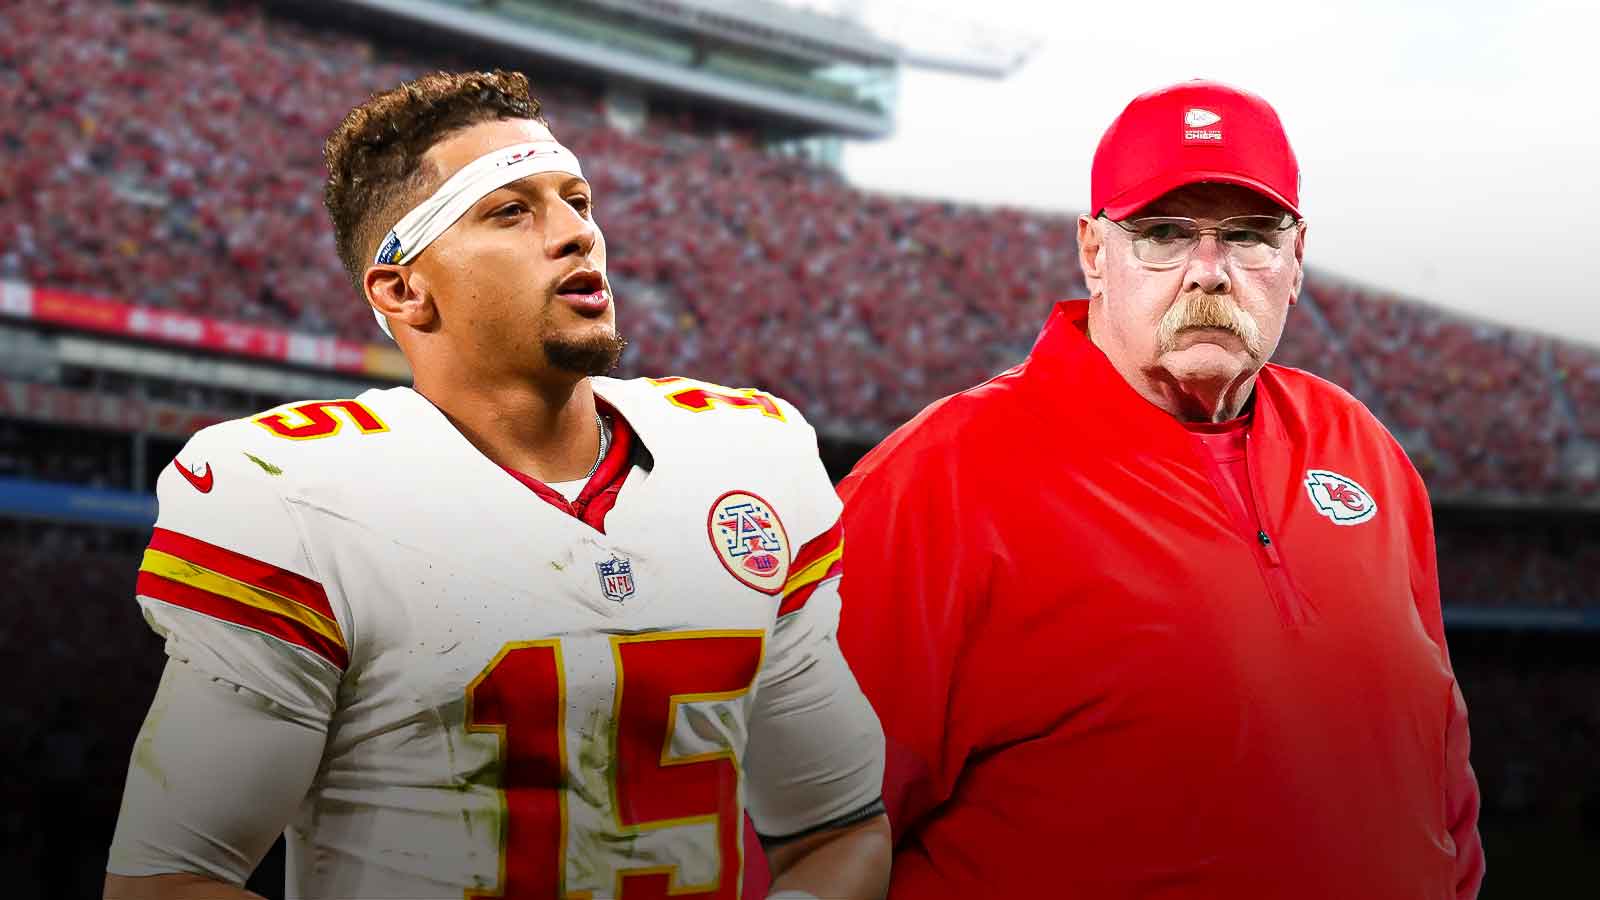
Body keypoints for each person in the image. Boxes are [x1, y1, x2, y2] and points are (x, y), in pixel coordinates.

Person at [103, 70, 889, 900]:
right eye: (511, 211)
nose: (576, 234)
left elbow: (840, 834)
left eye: (577, 201)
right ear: (404, 289)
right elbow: (168, 884)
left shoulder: (748, 455)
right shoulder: (292, 494)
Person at [835, 80, 1483, 899]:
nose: (1208, 273)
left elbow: (1441, 775)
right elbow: (802, 826)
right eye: (1164, 235)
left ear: (1297, 259)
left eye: (1249, 236)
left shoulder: (1364, 452)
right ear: (1093, 252)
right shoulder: (937, 479)